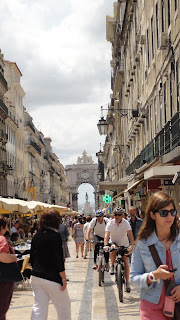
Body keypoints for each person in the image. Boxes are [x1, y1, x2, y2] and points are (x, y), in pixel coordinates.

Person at [130, 191, 180, 319]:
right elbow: (133, 279)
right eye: (164, 213)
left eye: (172, 212)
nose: (169, 216)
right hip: (151, 305)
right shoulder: (142, 245)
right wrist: (153, 276)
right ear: (152, 215)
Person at [30, 209, 71, 320]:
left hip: (36, 277)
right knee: (64, 307)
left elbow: (32, 257)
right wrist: (63, 277)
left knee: (39, 307)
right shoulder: (55, 236)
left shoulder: (36, 235)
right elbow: (58, 259)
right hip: (52, 278)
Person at [104, 206, 134, 292]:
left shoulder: (126, 223)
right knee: (112, 250)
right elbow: (106, 235)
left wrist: (132, 245)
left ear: (122, 215)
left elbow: (130, 235)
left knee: (126, 261)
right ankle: (112, 266)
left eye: (119, 215)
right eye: (116, 214)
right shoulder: (110, 223)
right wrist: (106, 245)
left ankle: (127, 283)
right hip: (114, 243)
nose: (117, 216)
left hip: (124, 244)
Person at [0, 216, 17, 320]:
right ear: (2, 227)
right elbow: (2, 256)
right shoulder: (1, 239)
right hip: (3, 280)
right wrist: (14, 257)